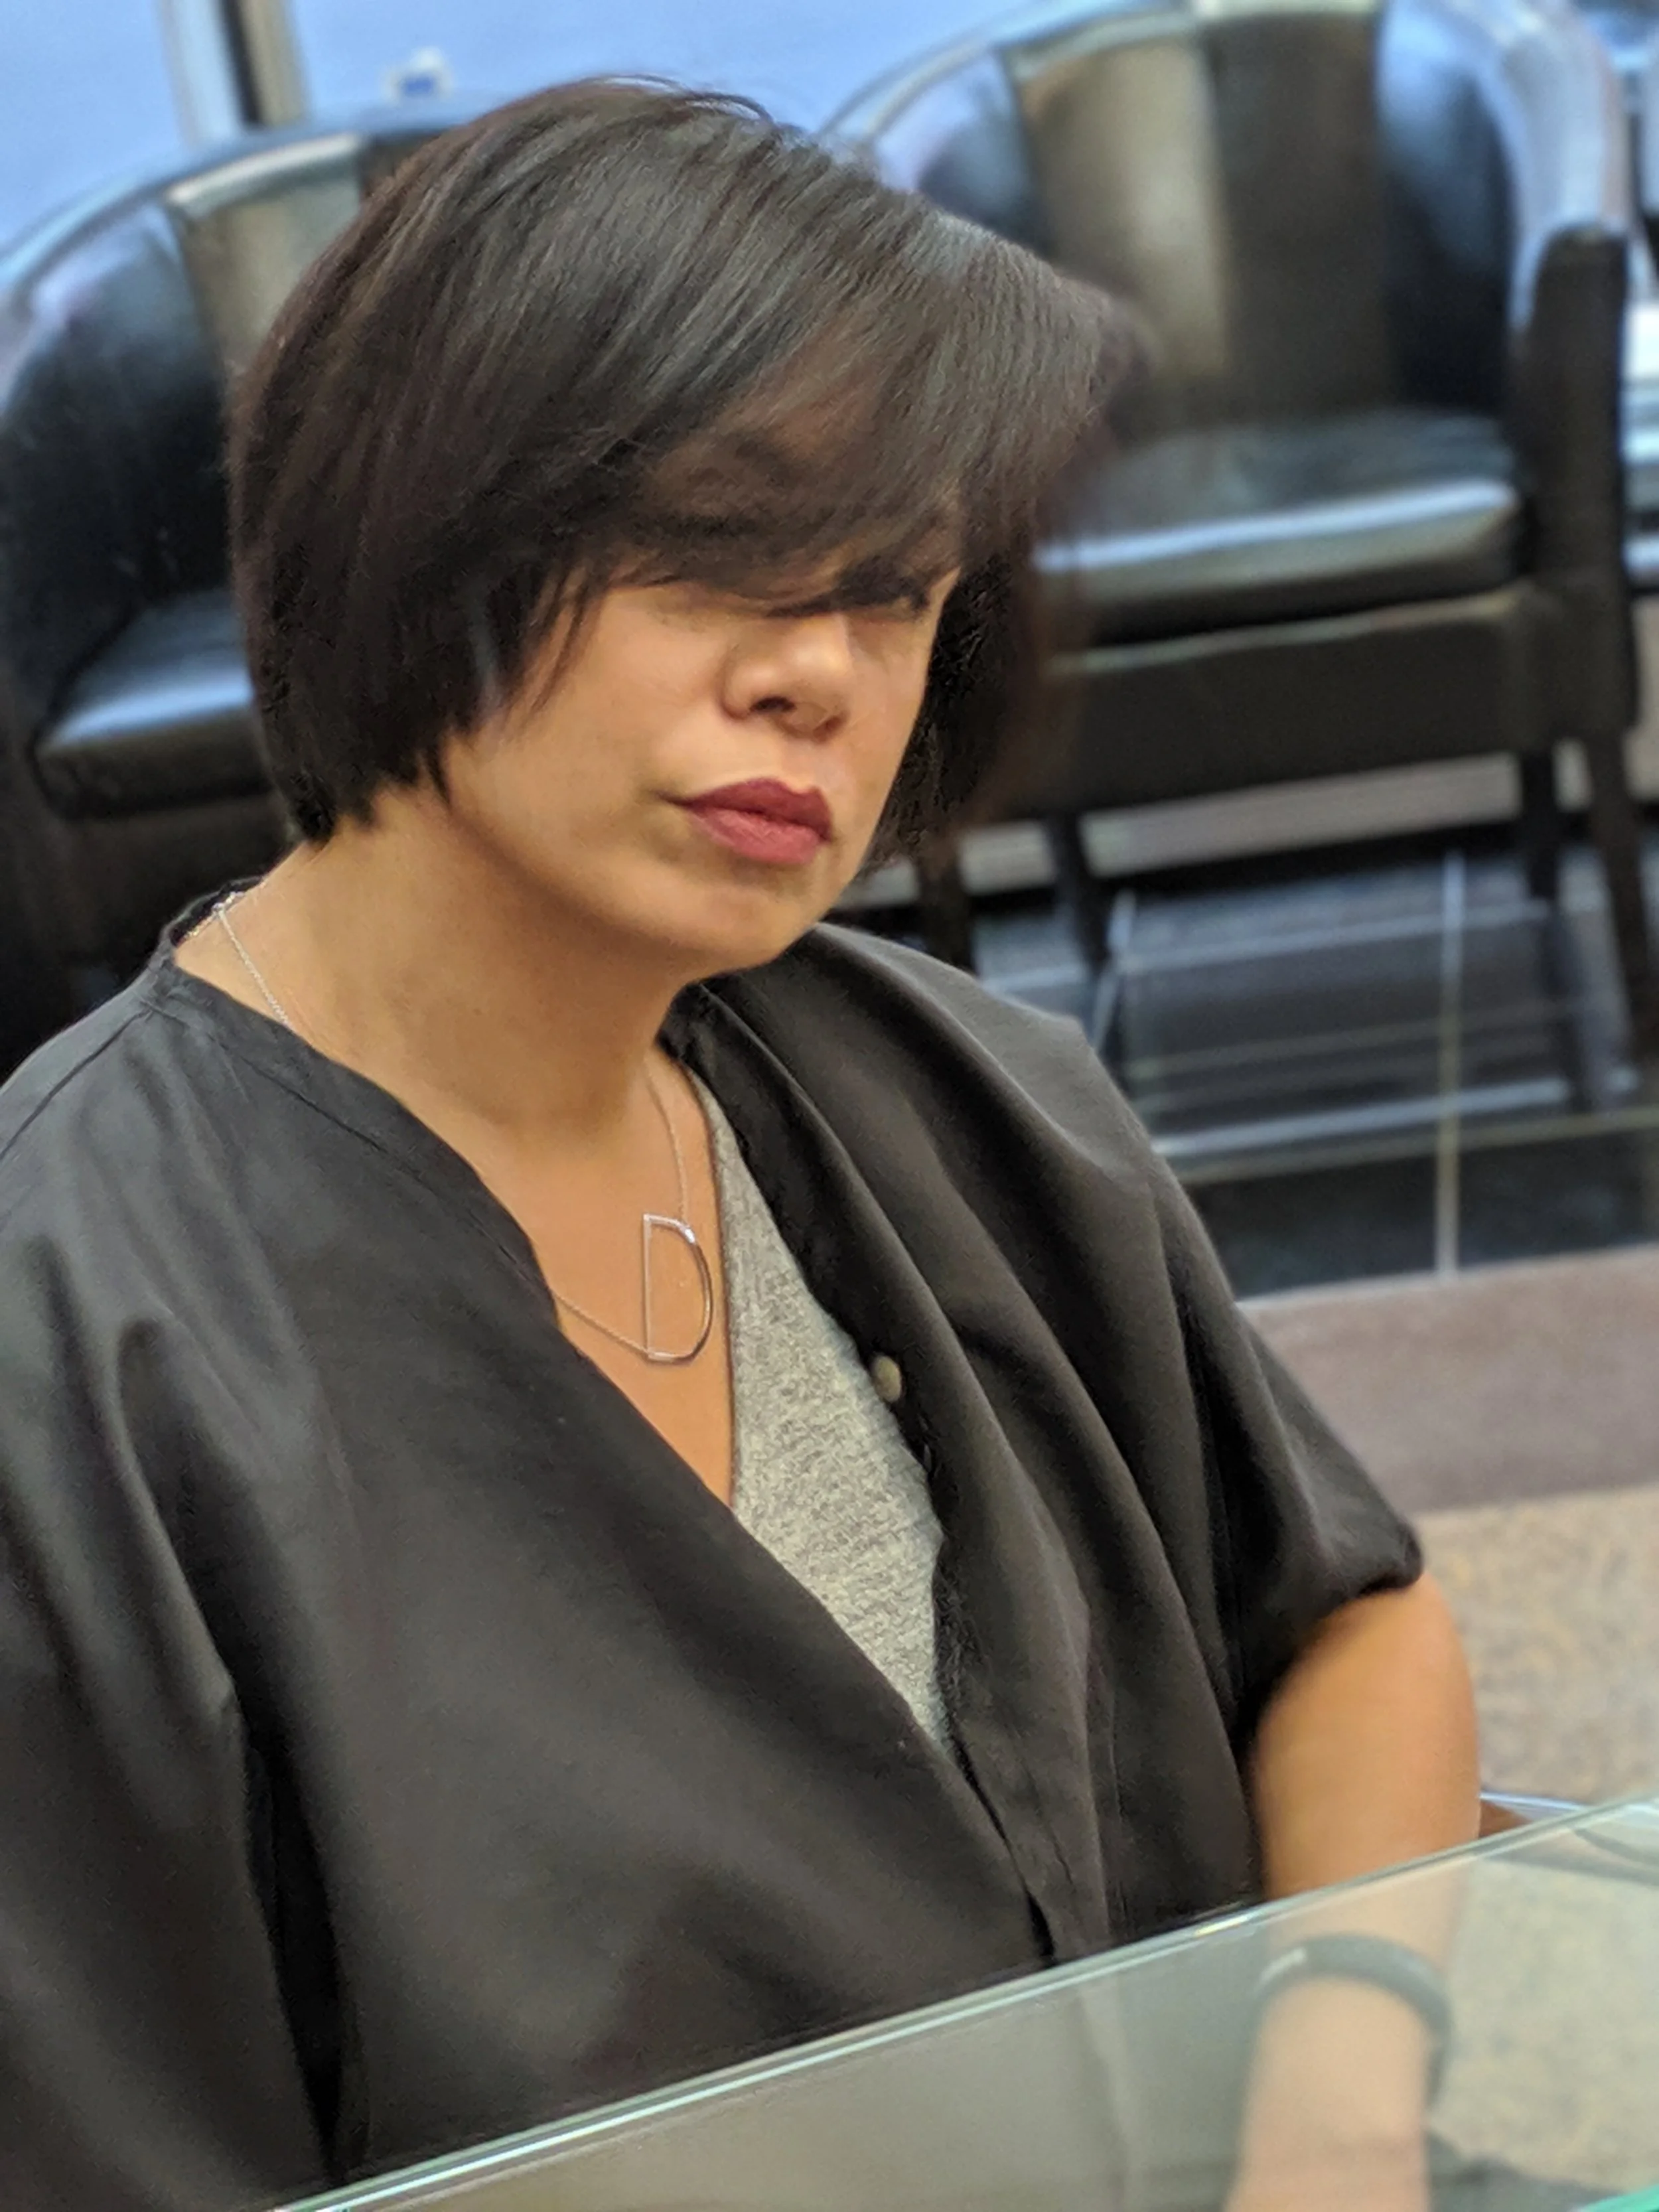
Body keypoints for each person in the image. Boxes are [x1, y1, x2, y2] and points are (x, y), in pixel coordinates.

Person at [0, 80, 1477, 2212]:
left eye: (891, 595)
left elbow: (1346, 1619)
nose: (817, 678)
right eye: (713, 548)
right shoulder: (81, 1348)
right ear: (426, 513)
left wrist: (1336, 2091)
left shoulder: (959, 1097)